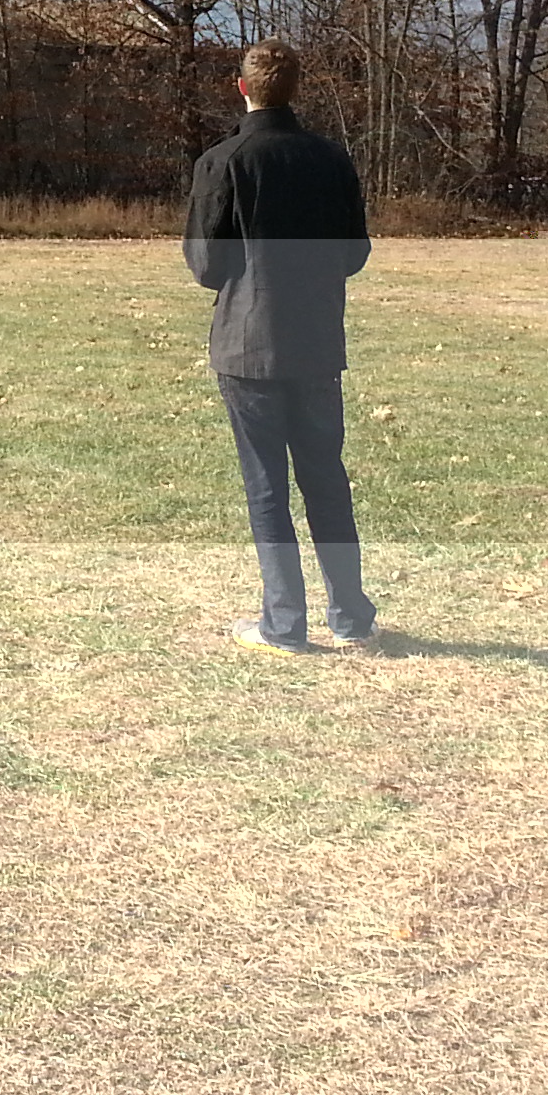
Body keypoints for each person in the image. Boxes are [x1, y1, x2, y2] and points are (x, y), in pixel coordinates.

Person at [184, 39, 378, 654]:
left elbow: (206, 265)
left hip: (248, 344)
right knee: (326, 479)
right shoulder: (331, 159)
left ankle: (284, 622)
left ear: (242, 88)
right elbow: (355, 252)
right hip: (316, 339)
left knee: (266, 484)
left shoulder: (223, 161)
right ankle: (350, 614)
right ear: (295, 90)